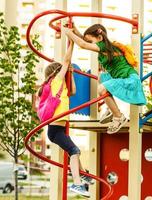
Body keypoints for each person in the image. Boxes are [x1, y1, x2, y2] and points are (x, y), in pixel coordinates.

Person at [63, 23, 146, 134]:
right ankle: (111, 109)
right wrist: (75, 30)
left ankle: (118, 117)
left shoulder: (104, 47)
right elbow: (85, 41)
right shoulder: (105, 46)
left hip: (129, 80)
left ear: (100, 38)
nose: (90, 44)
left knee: (101, 89)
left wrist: (68, 33)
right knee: (102, 76)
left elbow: (83, 44)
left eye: (91, 41)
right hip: (123, 78)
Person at [37, 36, 93, 198]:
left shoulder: (59, 87)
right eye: (62, 70)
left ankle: (82, 174)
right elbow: (67, 60)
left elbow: (73, 91)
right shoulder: (55, 82)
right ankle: (76, 183)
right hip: (55, 129)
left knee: (73, 151)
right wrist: (72, 42)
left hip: (57, 128)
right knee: (74, 150)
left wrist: (72, 74)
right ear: (56, 73)